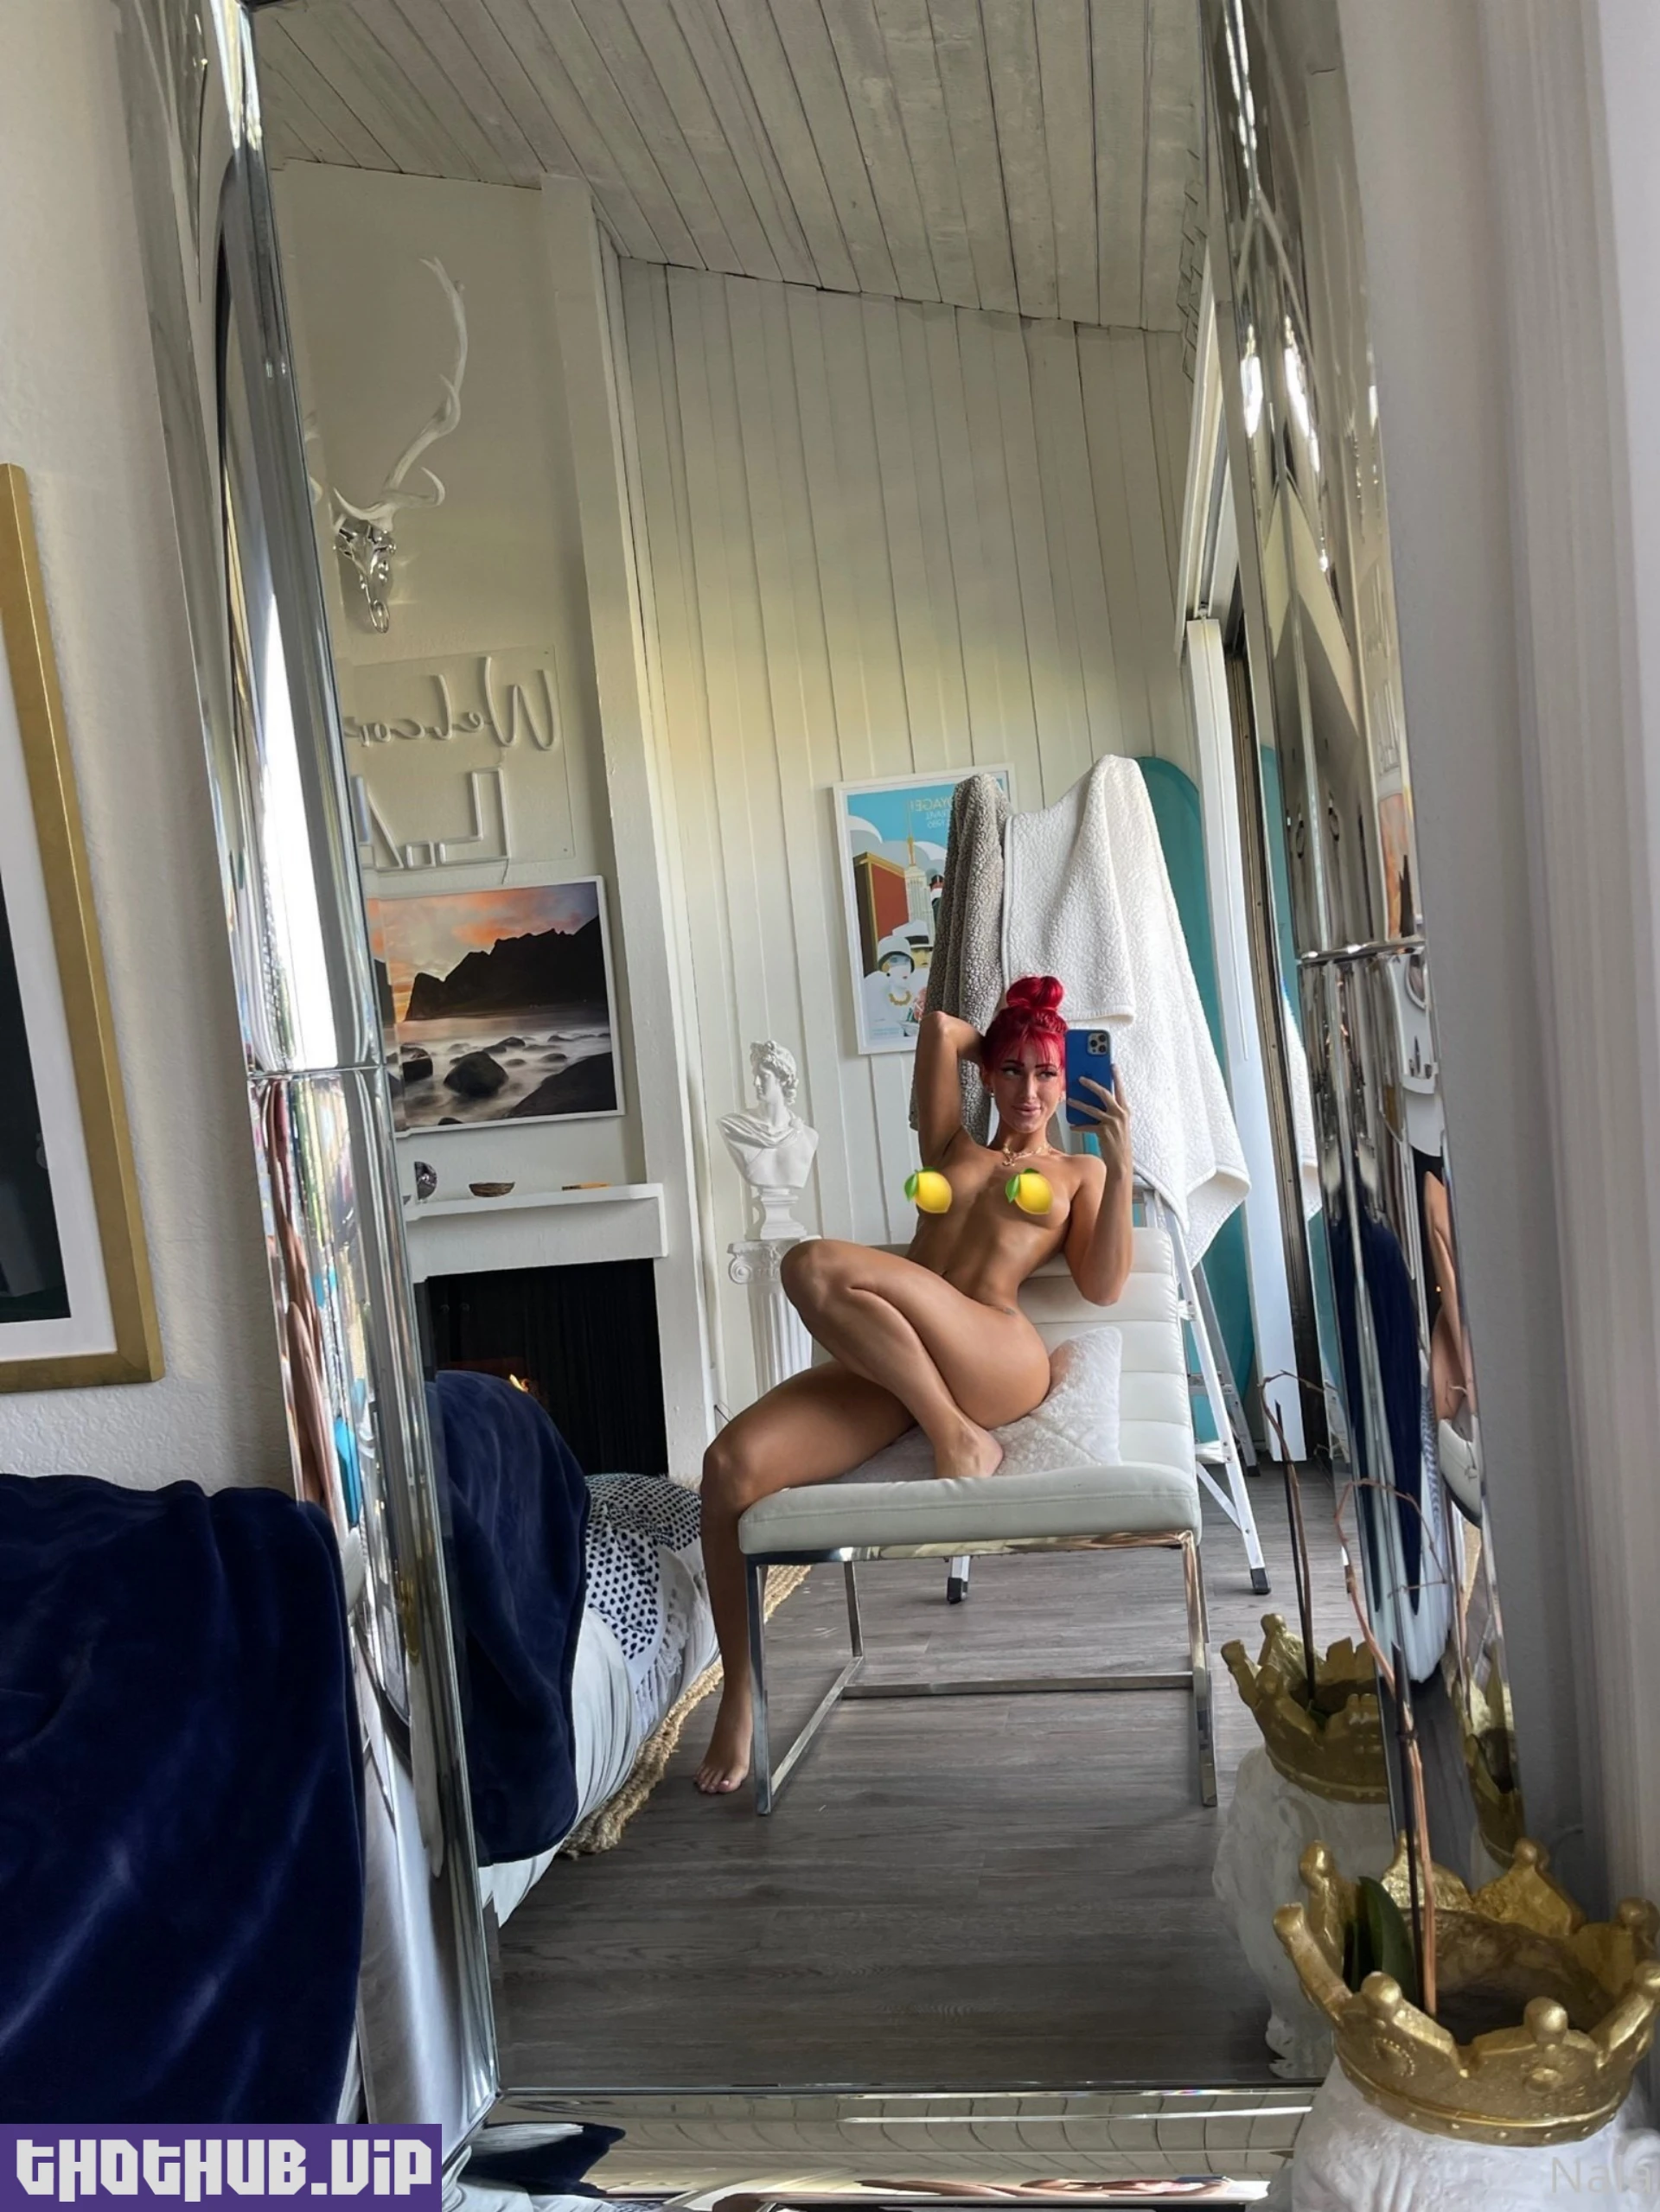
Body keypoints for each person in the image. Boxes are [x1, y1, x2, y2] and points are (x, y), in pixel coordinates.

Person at [695, 974, 1133, 1794]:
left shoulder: (1079, 1172)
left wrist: (1121, 1157)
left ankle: (958, 1432)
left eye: (1047, 1073)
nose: (1029, 1091)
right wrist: (1013, 1029)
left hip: (994, 1352)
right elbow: (939, 1031)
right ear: (988, 1074)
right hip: (900, 1363)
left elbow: (1104, 1286)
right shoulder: (951, 1146)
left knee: (811, 1262)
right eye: (1012, 1070)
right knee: (726, 1468)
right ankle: (741, 1694)